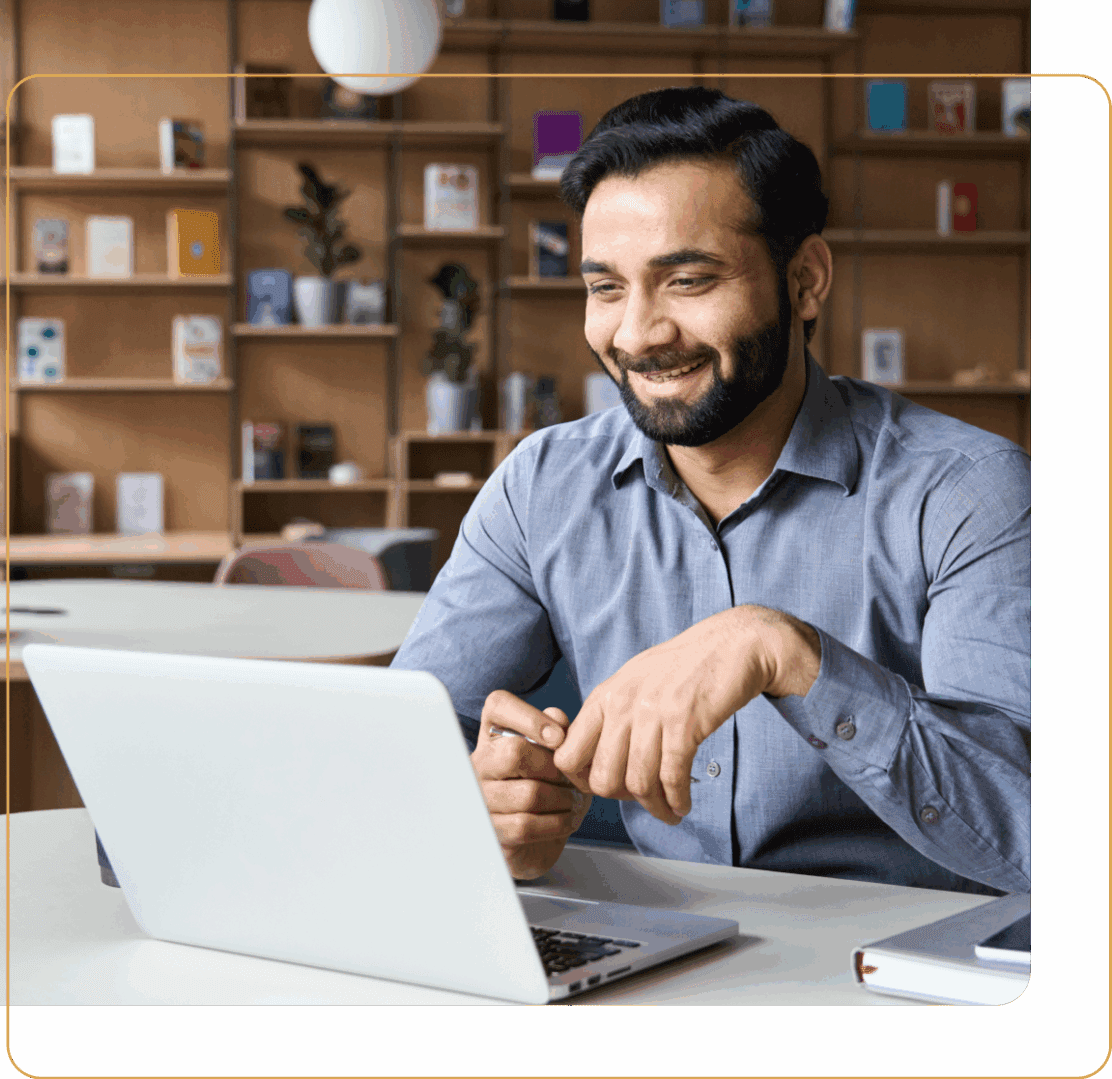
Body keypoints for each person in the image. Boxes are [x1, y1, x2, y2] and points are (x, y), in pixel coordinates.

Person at [390, 86, 1030, 896]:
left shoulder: (969, 492)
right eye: (606, 288)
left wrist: (785, 653)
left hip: (893, 967)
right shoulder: (542, 486)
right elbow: (400, 750)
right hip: (653, 947)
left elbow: (1039, 835)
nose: (637, 334)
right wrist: (477, 811)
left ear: (804, 281)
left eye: (687, 280)